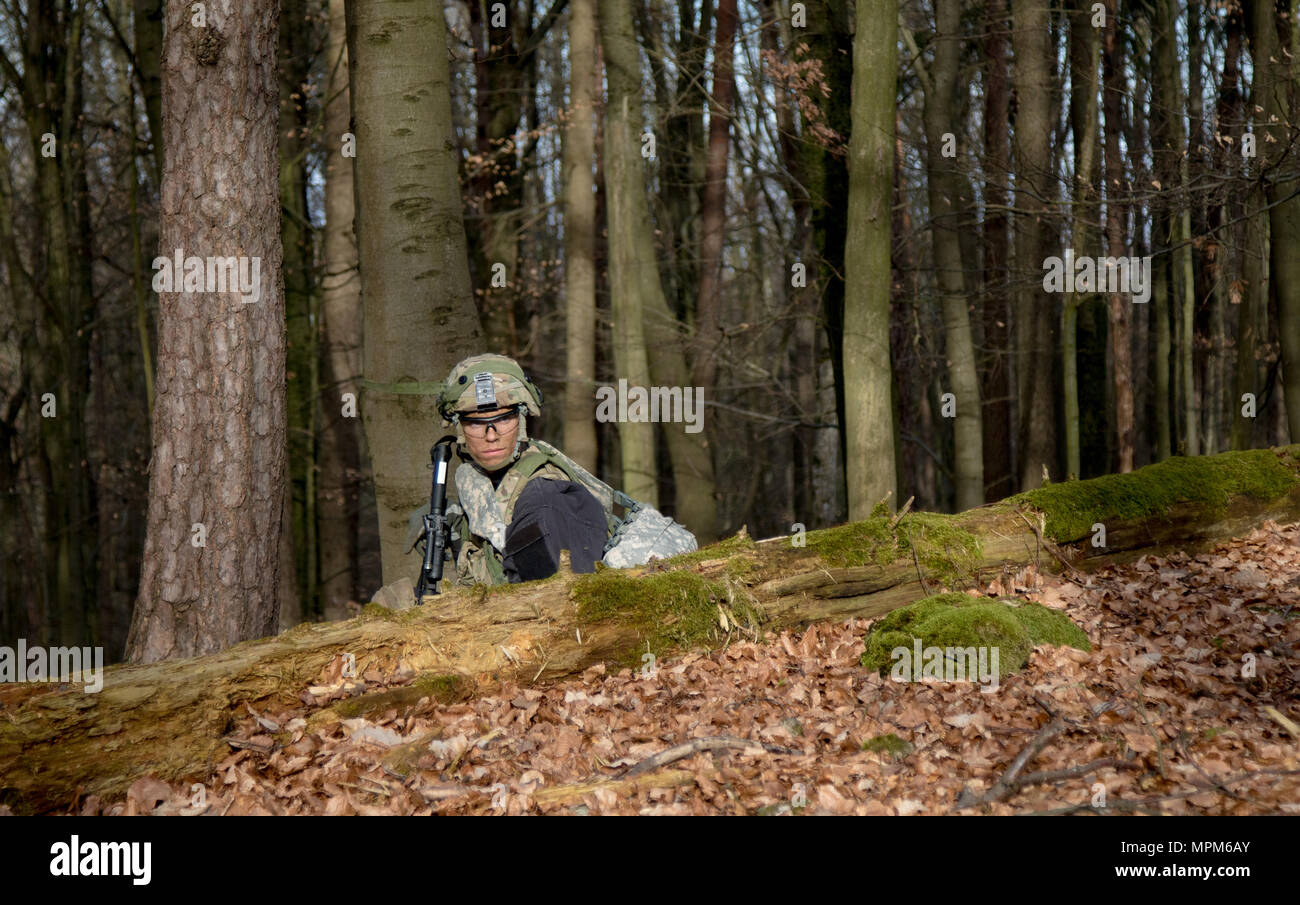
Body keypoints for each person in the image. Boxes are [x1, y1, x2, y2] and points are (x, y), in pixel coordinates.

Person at [435, 354, 618, 585]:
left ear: (521, 420)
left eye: (503, 420)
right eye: (475, 423)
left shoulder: (545, 502)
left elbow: (548, 602)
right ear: (459, 428)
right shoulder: (485, 483)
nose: (491, 435)